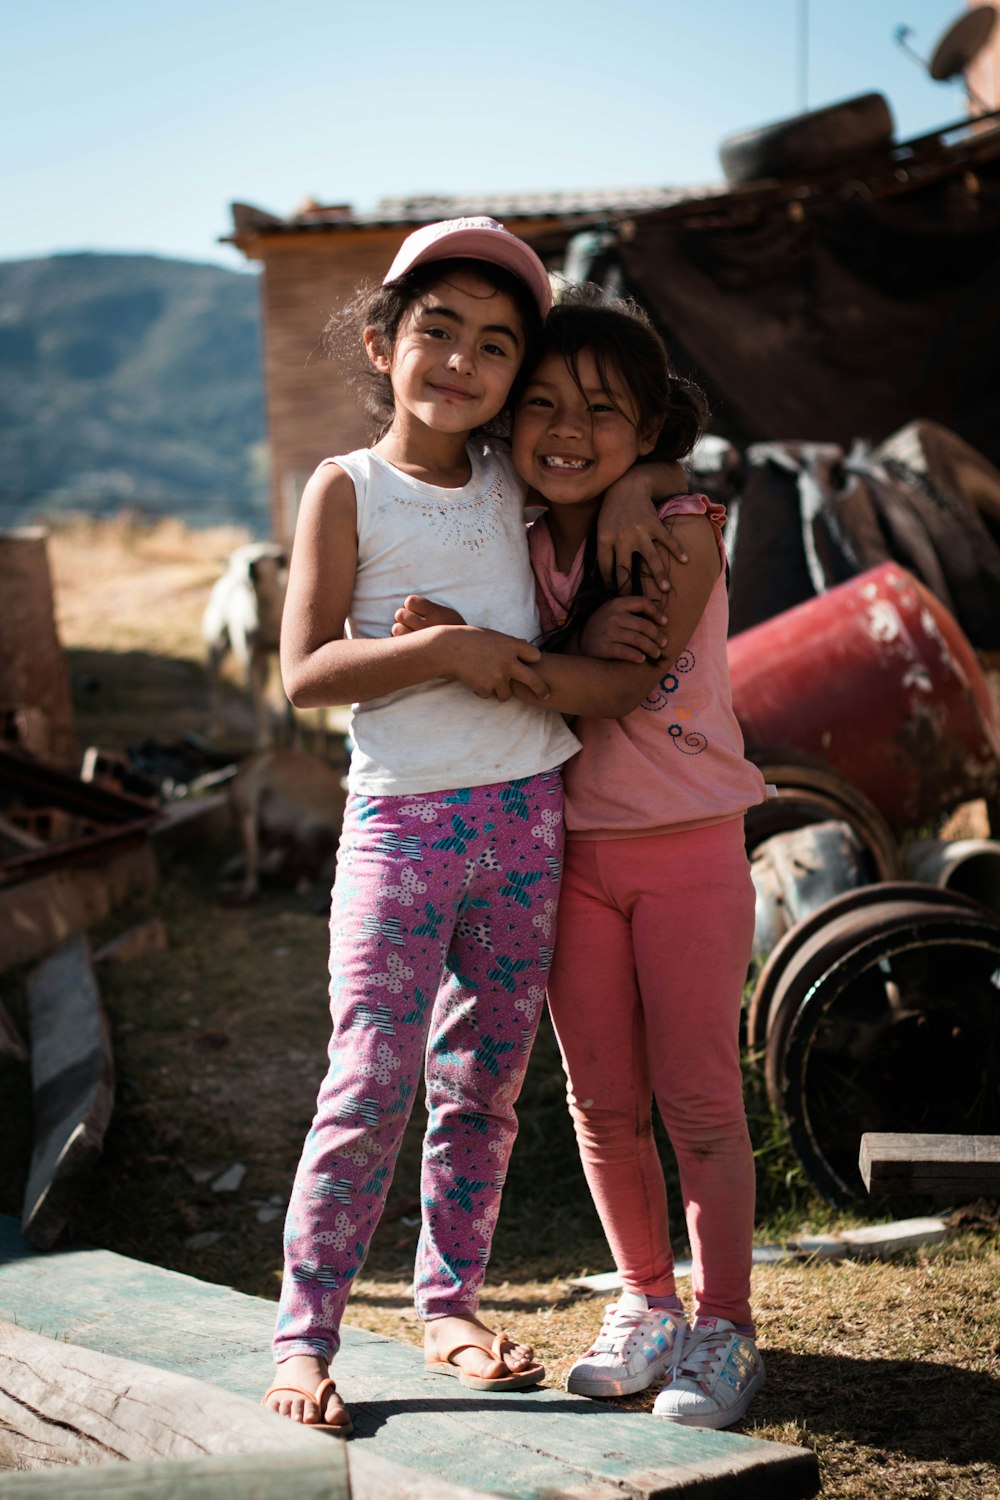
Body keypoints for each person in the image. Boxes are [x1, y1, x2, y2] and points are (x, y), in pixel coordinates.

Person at [262, 220, 684, 1433]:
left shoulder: (517, 474)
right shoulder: (346, 486)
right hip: (401, 826)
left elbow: (656, 452)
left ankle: (450, 1306)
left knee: (484, 1084)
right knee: (369, 1079)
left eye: (497, 345)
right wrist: (439, 647)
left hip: (525, 820)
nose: (462, 361)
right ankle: (305, 1337)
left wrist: (647, 484)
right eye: (437, 331)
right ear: (383, 340)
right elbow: (304, 671)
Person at [396, 285, 768, 1430]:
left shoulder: (680, 525)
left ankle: (726, 1329)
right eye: (543, 402)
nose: (566, 427)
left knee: (698, 1100)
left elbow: (623, 675)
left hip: (687, 847)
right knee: (600, 1102)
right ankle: (647, 1305)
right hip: (563, 851)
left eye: (604, 411)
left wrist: (468, 653)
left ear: (652, 430)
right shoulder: (510, 529)